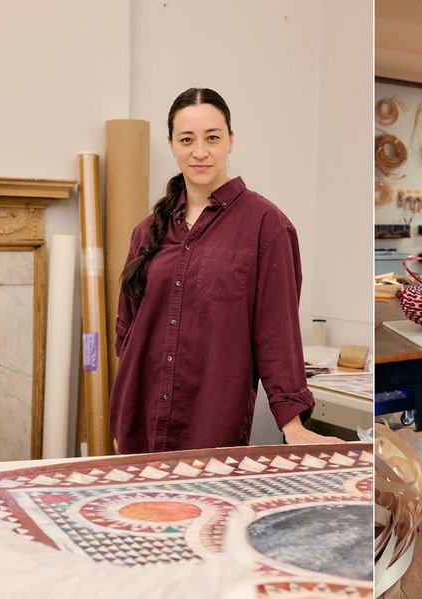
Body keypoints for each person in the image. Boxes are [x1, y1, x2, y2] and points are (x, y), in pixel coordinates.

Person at [111, 87, 342, 454]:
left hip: (210, 430)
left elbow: (277, 333)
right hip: (138, 427)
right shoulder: (147, 231)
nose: (200, 151)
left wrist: (293, 425)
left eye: (212, 138)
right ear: (171, 144)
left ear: (231, 140)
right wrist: (124, 416)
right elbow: (126, 330)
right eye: (187, 139)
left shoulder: (267, 226)